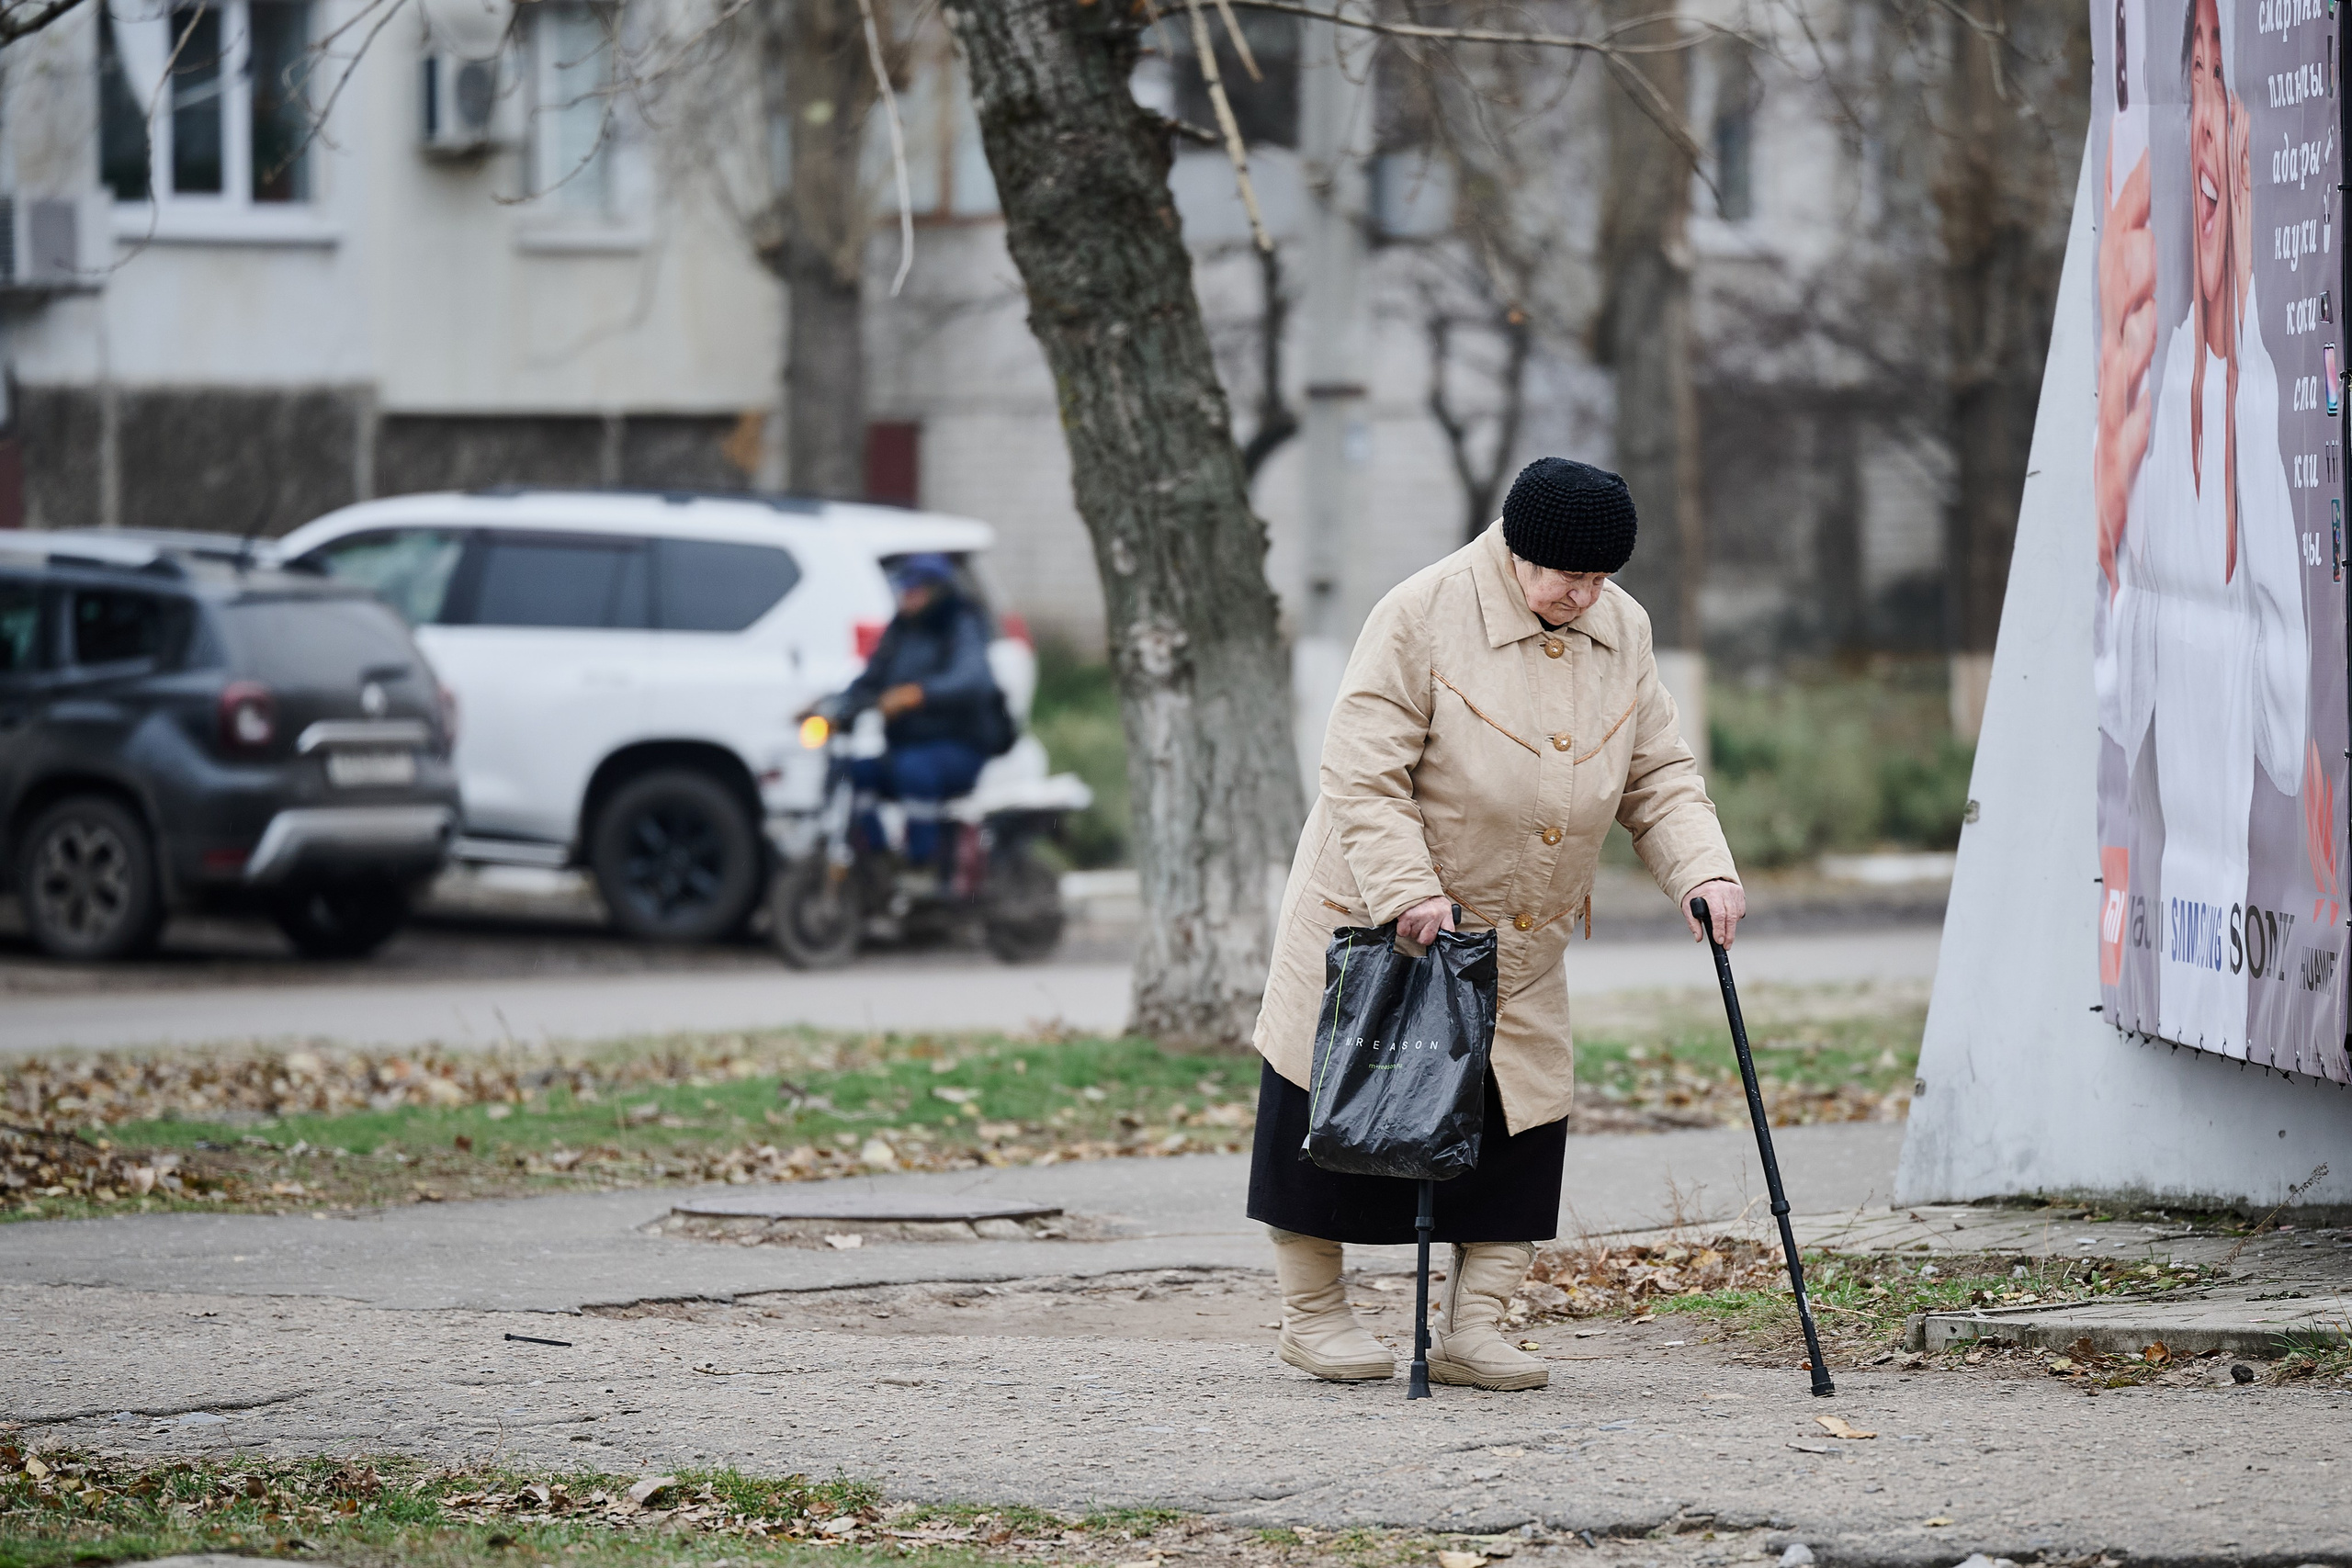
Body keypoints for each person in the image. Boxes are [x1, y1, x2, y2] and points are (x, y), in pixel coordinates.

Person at [1248, 457, 1744, 1391]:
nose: (1584, 595)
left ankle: (1476, 1328)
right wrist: (1406, 889)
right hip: (1384, 917)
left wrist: (1702, 870)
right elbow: (1361, 770)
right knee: (1341, 1105)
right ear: (1516, 553)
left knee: (1517, 1119)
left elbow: (1658, 773)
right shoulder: (1421, 613)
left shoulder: (1620, 629)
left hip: (1522, 927)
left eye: (1600, 579)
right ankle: (1313, 1316)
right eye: (1567, 576)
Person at [2092, 0, 2306, 1043]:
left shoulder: (2251, 394)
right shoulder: (2169, 382)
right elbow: (2120, 700)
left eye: (2227, 76)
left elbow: (2284, 733)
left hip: (2235, 941)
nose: (2211, 109)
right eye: (2197, 72)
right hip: (2190, 937)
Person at [824, 554, 1006, 879]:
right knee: (856, 772)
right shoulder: (900, 630)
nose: (905, 597)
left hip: (959, 746)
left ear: (935, 591)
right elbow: (870, 680)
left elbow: (972, 680)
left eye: (913, 591)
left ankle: (924, 865)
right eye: (903, 590)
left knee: (914, 769)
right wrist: (832, 707)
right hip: (905, 747)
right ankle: (875, 859)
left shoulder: (960, 623)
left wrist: (918, 694)